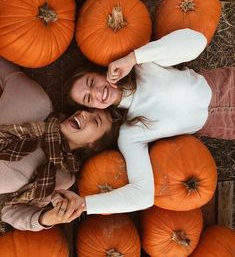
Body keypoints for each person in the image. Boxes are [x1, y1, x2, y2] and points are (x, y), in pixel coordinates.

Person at [66, 28, 235, 215]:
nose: (98, 92)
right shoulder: (130, 134)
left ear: (97, 73)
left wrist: (134, 58)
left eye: (91, 83)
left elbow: (198, 41)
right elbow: (142, 196)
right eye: (89, 98)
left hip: (225, 84)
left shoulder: (143, 66)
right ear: (93, 108)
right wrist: (86, 204)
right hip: (222, 124)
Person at [0, 58, 120, 232]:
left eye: (96, 120)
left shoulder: (60, 177)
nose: (84, 113)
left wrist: (47, 218)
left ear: (93, 145)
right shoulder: (36, 102)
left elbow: (10, 211)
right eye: (87, 107)